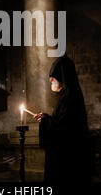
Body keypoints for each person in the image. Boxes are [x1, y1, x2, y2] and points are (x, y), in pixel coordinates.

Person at [34, 54, 94, 182]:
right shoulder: (66, 96)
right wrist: (47, 117)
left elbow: (65, 129)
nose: (50, 80)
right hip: (66, 153)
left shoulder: (70, 97)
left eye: (53, 77)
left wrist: (46, 121)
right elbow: (60, 121)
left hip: (69, 156)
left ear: (63, 77)